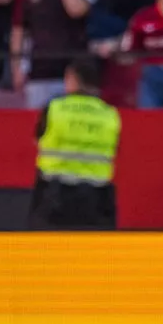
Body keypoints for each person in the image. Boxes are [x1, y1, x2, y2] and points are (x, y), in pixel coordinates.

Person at [30, 59, 121, 229]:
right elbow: (114, 149)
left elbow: (37, 140)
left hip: (55, 197)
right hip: (97, 199)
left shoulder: (55, 108)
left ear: (72, 79)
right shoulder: (110, 114)